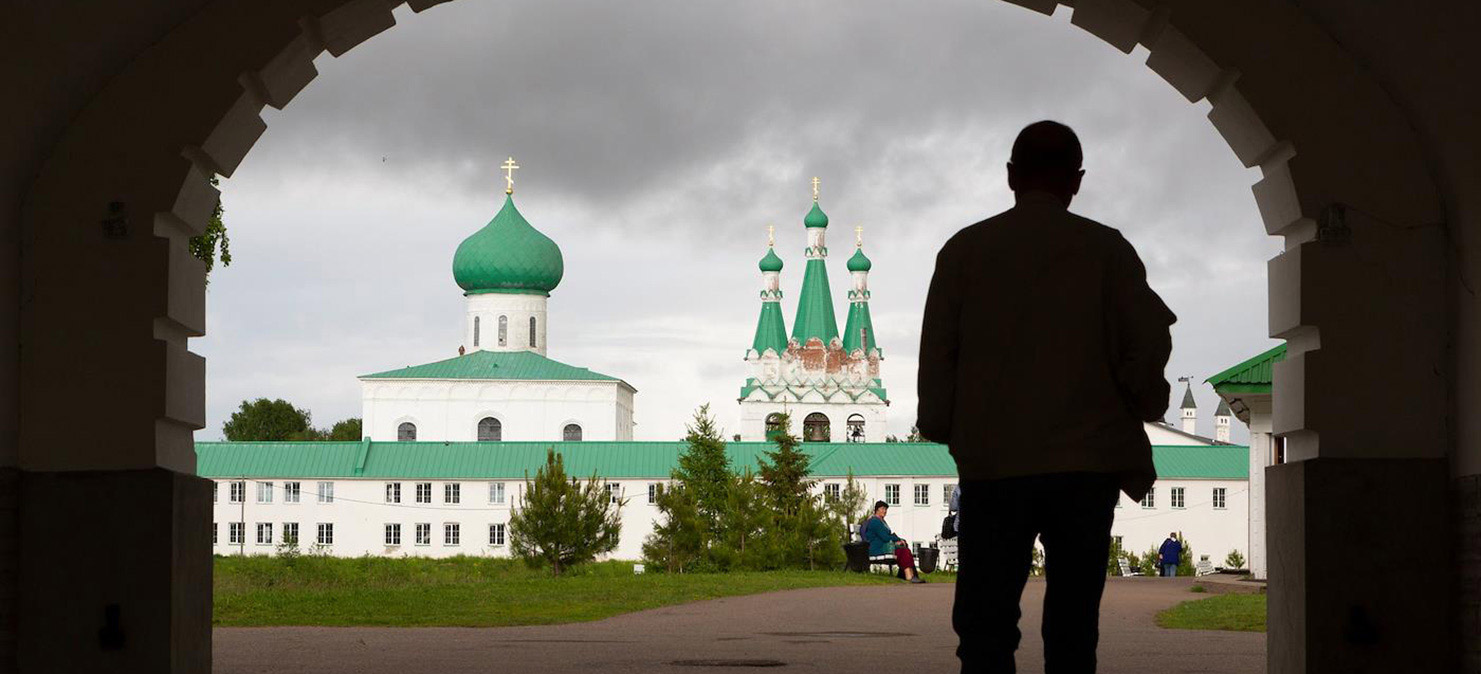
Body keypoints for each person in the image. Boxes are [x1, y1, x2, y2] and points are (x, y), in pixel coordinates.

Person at [917, 120, 1176, 673]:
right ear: (1076, 181)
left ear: (1010, 176)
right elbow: (1148, 341)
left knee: (985, 629)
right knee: (1073, 629)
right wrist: (1142, 402)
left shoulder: (965, 251)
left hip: (994, 467)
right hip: (1085, 467)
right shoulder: (1107, 251)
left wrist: (942, 423)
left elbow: (938, 356)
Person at [863, 501, 926, 584]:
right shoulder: (875, 521)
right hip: (877, 549)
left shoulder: (881, 521)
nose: (884, 511)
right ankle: (909, 576)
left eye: (885, 509)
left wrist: (899, 540)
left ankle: (907, 575)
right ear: (877, 510)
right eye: (882, 509)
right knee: (903, 551)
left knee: (904, 548)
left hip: (884, 546)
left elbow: (887, 536)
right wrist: (897, 540)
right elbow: (885, 537)